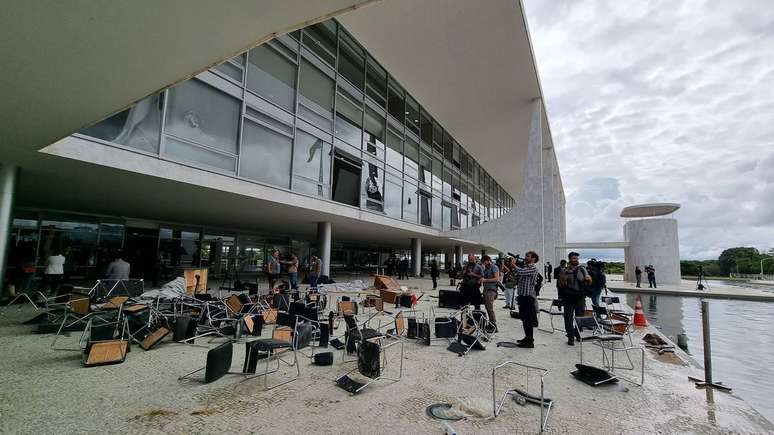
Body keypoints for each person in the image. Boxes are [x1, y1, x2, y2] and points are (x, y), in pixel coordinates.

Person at [557, 252, 591, 346]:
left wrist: (588, 279)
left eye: (577, 258)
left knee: (580, 317)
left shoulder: (582, 269)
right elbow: (560, 285)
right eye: (574, 258)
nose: (576, 260)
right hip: (568, 297)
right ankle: (570, 337)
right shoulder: (564, 270)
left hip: (580, 297)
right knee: (568, 318)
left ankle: (578, 333)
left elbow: (589, 281)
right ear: (569, 259)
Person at [511, 251, 540, 348]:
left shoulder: (533, 268)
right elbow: (517, 273)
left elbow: (521, 272)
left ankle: (530, 341)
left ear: (533, 259)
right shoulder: (526, 267)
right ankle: (527, 338)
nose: (526, 258)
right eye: (526, 256)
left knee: (527, 320)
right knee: (524, 318)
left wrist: (514, 264)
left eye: (528, 256)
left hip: (528, 297)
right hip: (522, 296)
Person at [479, 255, 500, 332]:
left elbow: (496, 279)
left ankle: (494, 326)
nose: (484, 264)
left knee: (490, 309)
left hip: (491, 290)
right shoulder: (486, 268)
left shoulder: (494, 267)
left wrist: (485, 280)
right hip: (486, 290)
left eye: (484, 262)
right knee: (488, 308)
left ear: (488, 260)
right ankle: (491, 324)